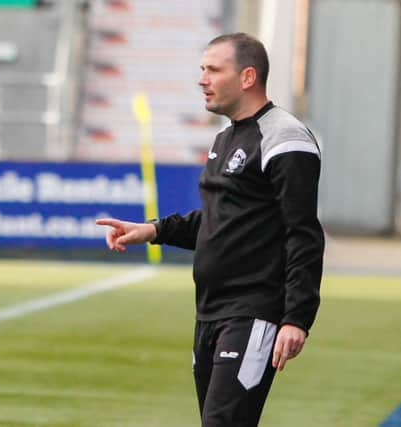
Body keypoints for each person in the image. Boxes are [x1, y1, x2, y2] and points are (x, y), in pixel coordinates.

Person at [96, 32, 324, 427]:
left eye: (213, 70)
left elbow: (303, 232)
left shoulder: (284, 138)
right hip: (209, 312)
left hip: (253, 313)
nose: (202, 79)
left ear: (248, 77)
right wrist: (152, 230)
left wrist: (296, 318)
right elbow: (221, 220)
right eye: (202, 69)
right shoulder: (225, 137)